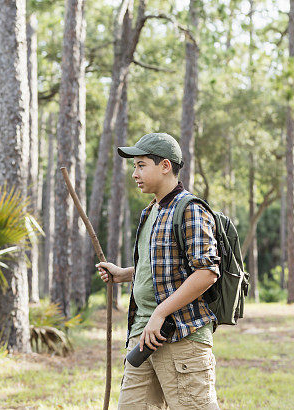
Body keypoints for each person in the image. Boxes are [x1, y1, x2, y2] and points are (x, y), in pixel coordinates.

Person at [97, 132, 220, 409]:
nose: (134, 174)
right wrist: (123, 274)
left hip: (181, 337)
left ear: (165, 166)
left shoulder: (190, 209)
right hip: (143, 336)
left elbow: (207, 272)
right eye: (134, 166)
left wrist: (160, 312)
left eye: (141, 165)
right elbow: (160, 268)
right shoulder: (150, 210)